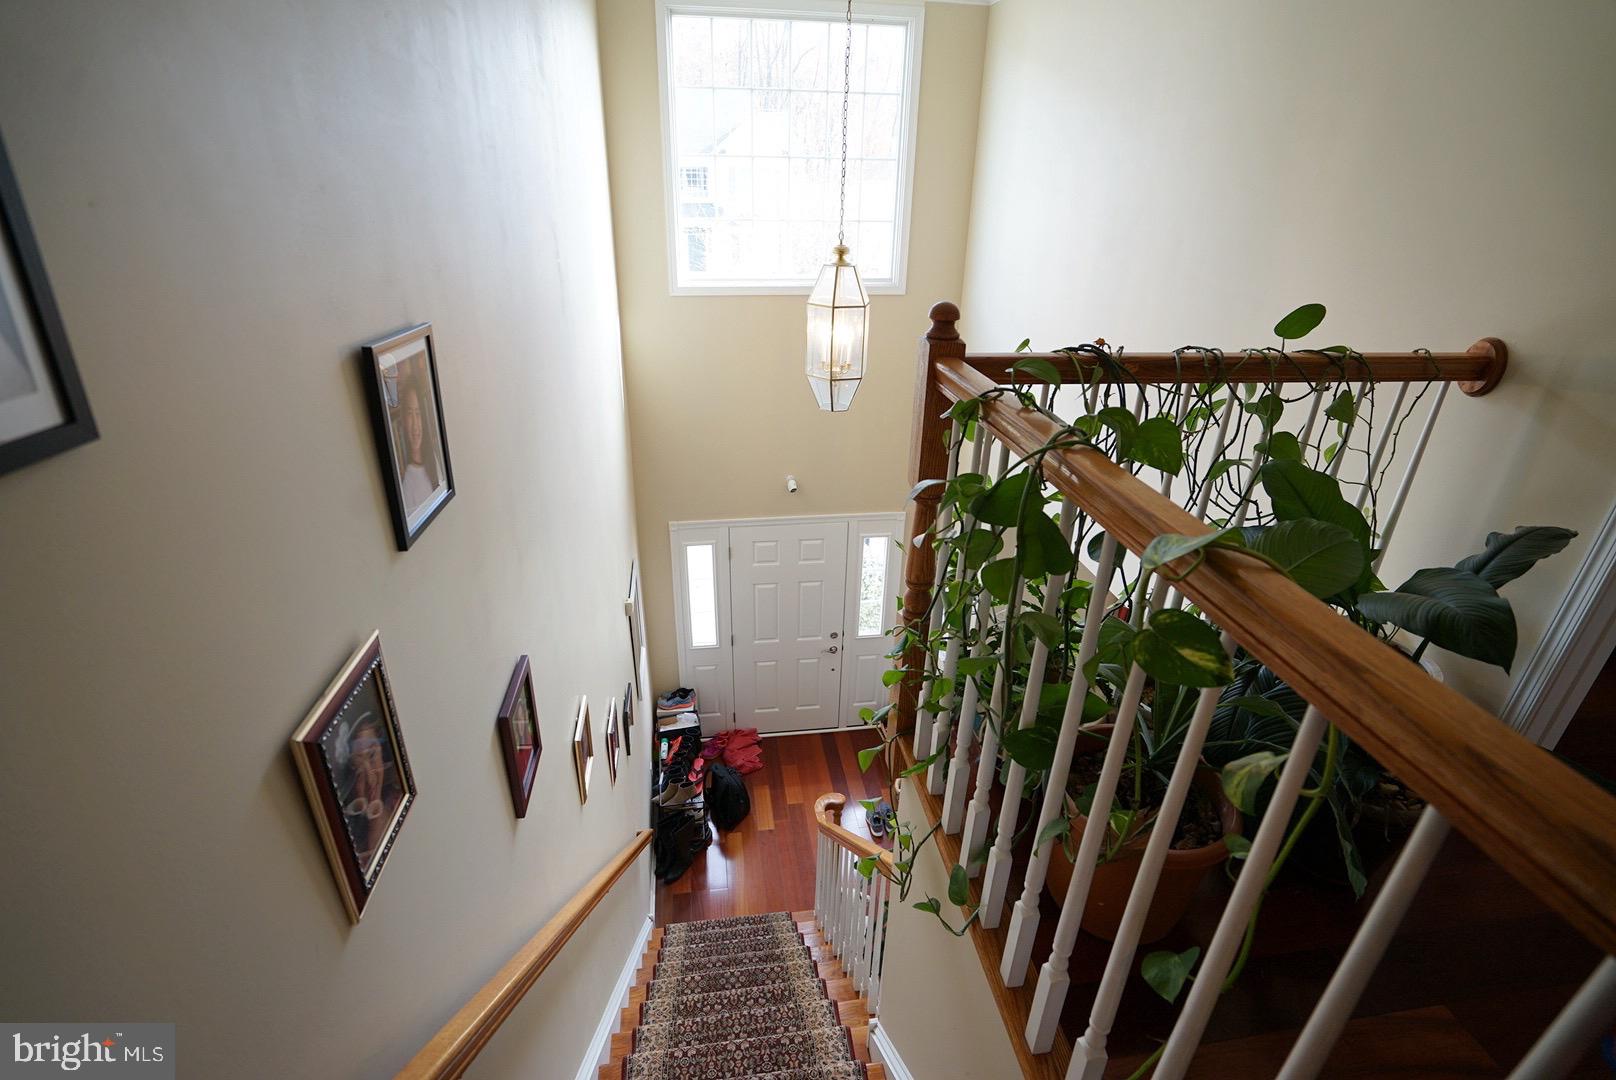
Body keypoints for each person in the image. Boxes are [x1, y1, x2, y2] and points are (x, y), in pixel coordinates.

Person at [397, 374, 440, 515]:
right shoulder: (407, 483)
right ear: (403, 420)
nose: (415, 425)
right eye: (410, 414)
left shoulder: (434, 458)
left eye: (418, 413)